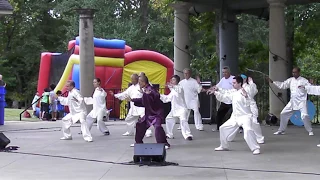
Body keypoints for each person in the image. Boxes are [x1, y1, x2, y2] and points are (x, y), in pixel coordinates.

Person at [207, 76, 261, 155]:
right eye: (232, 83)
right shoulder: (234, 92)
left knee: (248, 130)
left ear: (239, 83)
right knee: (222, 128)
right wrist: (215, 92)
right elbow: (225, 97)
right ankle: (224, 146)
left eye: (234, 83)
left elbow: (249, 102)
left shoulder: (245, 91)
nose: (233, 84)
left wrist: (246, 96)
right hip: (235, 117)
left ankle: (255, 148)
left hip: (245, 116)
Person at [266, 67, 314, 136]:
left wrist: (311, 84)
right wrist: (273, 82)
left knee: (304, 116)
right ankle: (281, 130)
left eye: (295, 72)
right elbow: (283, 85)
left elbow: (309, 88)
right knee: (283, 114)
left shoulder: (304, 80)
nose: (294, 74)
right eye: (293, 72)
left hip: (301, 102)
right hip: (292, 101)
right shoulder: (290, 80)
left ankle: (310, 130)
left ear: (299, 72)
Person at [126, 75, 170, 149]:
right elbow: (143, 101)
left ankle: (164, 143)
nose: (138, 83)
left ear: (143, 82)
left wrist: (150, 94)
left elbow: (156, 95)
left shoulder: (150, 89)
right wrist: (132, 100)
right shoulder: (145, 90)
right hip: (149, 114)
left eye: (139, 82)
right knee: (140, 125)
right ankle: (138, 142)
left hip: (157, 113)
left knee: (158, 127)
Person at [226, 74, 264, 144]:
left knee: (254, 122)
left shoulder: (249, 87)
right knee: (234, 122)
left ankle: (259, 138)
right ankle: (229, 136)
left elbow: (254, 91)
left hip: (250, 106)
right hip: (239, 108)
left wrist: (252, 83)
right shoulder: (236, 89)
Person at [160, 75, 193, 140]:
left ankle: (188, 135)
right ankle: (169, 134)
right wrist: (159, 95)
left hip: (182, 109)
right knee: (168, 119)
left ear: (177, 81)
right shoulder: (172, 91)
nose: (172, 81)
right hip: (174, 109)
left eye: (173, 80)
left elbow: (178, 90)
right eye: (171, 80)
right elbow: (167, 99)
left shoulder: (180, 87)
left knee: (183, 120)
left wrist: (171, 86)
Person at [210, 66, 234, 132]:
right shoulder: (223, 79)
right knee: (219, 114)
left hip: (233, 101)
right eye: (223, 72)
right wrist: (210, 89)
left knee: (234, 115)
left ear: (229, 72)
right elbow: (217, 86)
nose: (224, 74)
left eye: (226, 72)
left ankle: (240, 128)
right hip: (225, 101)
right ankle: (219, 128)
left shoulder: (233, 79)